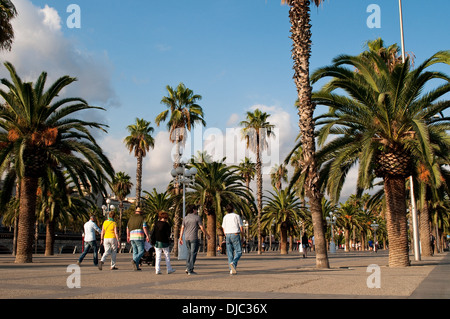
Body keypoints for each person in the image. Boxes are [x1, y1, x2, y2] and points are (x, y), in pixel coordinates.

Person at [179, 204, 210, 275]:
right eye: (196, 209)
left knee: (189, 253)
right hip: (194, 238)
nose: (197, 210)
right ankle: (190, 269)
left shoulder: (185, 218)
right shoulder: (197, 218)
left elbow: (182, 228)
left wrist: (180, 237)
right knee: (193, 253)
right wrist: (207, 235)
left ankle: (187, 267)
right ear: (193, 210)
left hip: (187, 238)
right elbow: (202, 227)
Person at [221, 204, 243, 275]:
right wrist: (242, 235)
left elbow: (223, 227)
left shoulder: (225, 217)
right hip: (235, 234)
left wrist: (225, 234)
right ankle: (233, 262)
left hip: (227, 235)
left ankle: (231, 269)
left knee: (230, 252)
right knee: (239, 251)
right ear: (233, 208)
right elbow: (241, 226)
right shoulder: (236, 216)